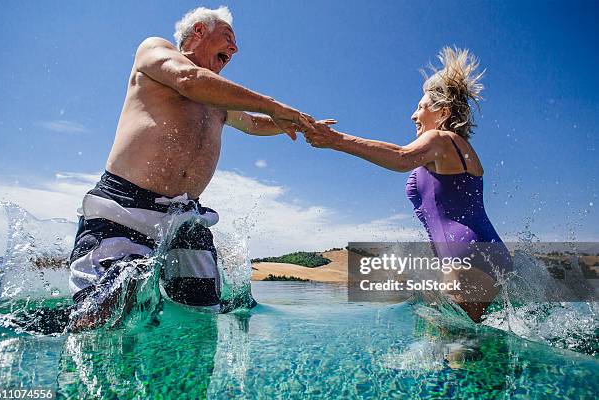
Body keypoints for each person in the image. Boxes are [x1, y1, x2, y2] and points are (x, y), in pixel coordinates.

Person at [68, 6, 331, 331]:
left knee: (203, 317)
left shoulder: (220, 97)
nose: (234, 49)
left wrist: (298, 125)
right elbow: (188, 79)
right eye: (228, 38)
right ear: (198, 32)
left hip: (185, 220)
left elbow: (252, 123)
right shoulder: (155, 51)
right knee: (105, 317)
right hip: (123, 210)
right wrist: (274, 105)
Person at [304, 47, 512, 322]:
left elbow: (402, 158)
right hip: (490, 251)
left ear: (442, 112)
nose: (413, 115)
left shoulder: (439, 139)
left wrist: (336, 140)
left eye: (421, 107)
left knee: (456, 351)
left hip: (462, 252)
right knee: (472, 345)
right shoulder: (464, 150)